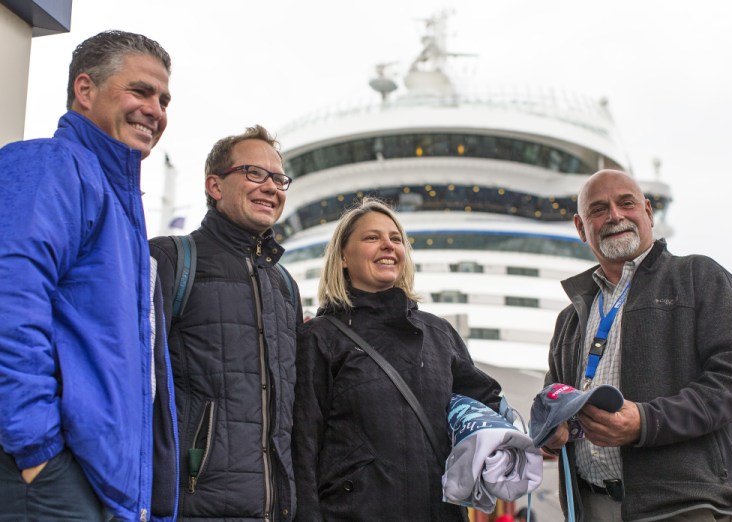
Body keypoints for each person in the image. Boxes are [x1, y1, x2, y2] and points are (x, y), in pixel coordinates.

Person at [0, 31, 177, 521]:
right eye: (140, 91)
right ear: (85, 90)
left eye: (163, 99)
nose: (156, 110)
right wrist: (37, 454)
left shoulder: (121, 207)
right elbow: (9, 299)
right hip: (47, 479)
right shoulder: (54, 165)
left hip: (97, 487)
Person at [542, 169, 732, 520]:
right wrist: (550, 429)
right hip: (590, 510)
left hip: (687, 506)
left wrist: (647, 421)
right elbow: (553, 395)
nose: (615, 216)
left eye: (626, 203)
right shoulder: (569, 318)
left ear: (649, 212)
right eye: (599, 209)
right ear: (581, 228)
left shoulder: (699, 277)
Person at [292, 197, 504, 521]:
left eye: (396, 239)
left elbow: (485, 403)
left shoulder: (438, 333)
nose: (388, 246)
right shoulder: (320, 338)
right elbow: (302, 447)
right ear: (343, 257)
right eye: (372, 237)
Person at [149, 125, 302, 520]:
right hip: (192, 506)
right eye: (254, 173)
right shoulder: (170, 260)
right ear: (214, 186)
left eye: (278, 178)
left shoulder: (284, 284)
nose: (271, 187)